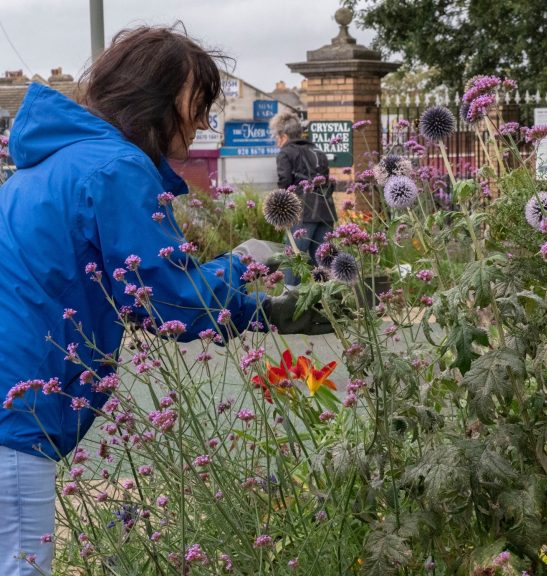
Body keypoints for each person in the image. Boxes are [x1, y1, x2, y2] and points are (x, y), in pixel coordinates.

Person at [0, 25, 330, 575]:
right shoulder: (114, 168)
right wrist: (248, 260)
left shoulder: (47, 166)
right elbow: (166, 300)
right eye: (199, 102)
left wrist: (254, 310)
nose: (203, 121)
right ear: (163, 95)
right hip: (17, 413)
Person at [270, 111, 337, 284]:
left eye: (276, 137)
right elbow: (325, 180)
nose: (276, 142)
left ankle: (289, 305)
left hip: (302, 214)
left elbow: (284, 184)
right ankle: (333, 305)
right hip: (326, 212)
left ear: (283, 136)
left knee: (294, 262)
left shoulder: (286, 153)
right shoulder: (317, 150)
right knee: (326, 265)